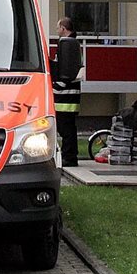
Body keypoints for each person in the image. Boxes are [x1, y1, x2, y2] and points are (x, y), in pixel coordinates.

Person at [52, 17, 82, 166]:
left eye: (58, 28)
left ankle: (69, 158)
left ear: (63, 28)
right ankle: (70, 156)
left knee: (66, 130)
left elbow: (65, 73)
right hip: (69, 96)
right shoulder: (72, 44)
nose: (57, 31)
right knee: (68, 128)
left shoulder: (67, 44)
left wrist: (55, 87)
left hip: (65, 98)